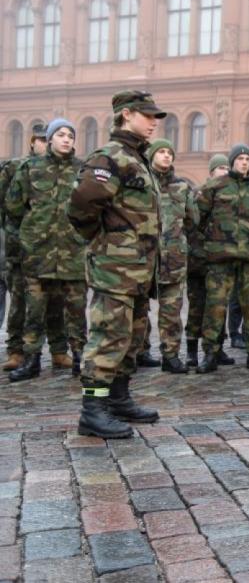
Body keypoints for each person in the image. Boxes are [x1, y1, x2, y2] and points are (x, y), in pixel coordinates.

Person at [68, 90, 166, 438]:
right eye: (147, 115)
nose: (154, 122)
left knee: (132, 338)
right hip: (115, 270)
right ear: (126, 114)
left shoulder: (137, 158)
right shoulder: (108, 157)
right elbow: (81, 206)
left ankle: (118, 398)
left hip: (139, 269)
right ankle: (93, 411)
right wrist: (105, 241)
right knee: (109, 338)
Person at [7, 118, 87, 382]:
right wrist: (30, 235)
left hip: (73, 254)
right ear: (50, 138)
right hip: (37, 254)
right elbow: (14, 206)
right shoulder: (30, 168)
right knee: (35, 311)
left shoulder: (82, 170)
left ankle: (79, 358)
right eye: (61, 134)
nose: (66, 139)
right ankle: (31, 360)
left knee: (76, 311)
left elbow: (92, 210)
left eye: (70, 136)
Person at [196, 144, 249, 372]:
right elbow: (197, 218)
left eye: (247, 159)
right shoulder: (214, 187)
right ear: (232, 162)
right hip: (221, 258)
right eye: (240, 159)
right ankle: (211, 353)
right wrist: (210, 244)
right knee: (215, 306)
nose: (244, 162)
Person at [0, 123, 67, 372]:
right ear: (32, 142)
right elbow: (7, 205)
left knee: (56, 301)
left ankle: (59, 351)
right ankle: (16, 351)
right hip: (21, 248)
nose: (44, 144)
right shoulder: (16, 167)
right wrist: (14, 237)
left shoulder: (62, 168)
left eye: (47, 139)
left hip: (54, 250)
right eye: (40, 139)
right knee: (19, 301)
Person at [145, 138, 198, 374]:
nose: (166, 155)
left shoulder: (182, 187)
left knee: (172, 311)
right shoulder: (142, 184)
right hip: (145, 257)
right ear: (152, 156)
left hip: (174, 259)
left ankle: (171, 355)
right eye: (161, 152)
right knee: (138, 310)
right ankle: (138, 352)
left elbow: (193, 220)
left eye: (169, 152)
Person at [185, 154, 235, 369]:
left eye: (227, 168)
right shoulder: (199, 193)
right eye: (220, 168)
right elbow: (191, 225)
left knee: (218, 307)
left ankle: (218, 348)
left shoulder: (230, 196)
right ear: (212, 172)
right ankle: (191, 351)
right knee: (197, 306)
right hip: (199, 260)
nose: (224, 172)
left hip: (220, 260)